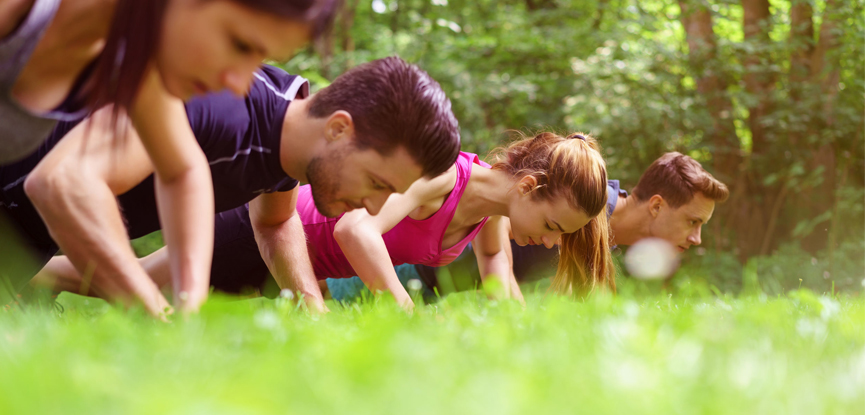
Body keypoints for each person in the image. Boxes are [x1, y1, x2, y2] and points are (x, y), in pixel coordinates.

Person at [16, 57, 461, 314]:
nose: (373, 204)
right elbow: (65, 183)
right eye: (377, 182)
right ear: (339, 129)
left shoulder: (290, 139)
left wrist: (313, 309)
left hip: (22, 247)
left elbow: (276, 223)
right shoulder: (223, 106)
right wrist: (156, 315)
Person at [0, 0, 339, 312]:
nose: (238, 84)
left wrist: (186, 314)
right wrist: (151, 310)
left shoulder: (139, 64)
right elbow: (60, 182)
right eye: (239, 44)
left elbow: (182, 170)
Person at [38, 131, 616, 308]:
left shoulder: (491, 212)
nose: (547, 240)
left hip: (299, 271)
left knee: (140, 285)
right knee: (133, 286)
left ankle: (40, 278)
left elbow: (495, 264)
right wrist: (401, 304)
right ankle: (36, 271)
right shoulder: (445, 178)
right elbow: (353, 228)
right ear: (531, 186)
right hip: (277, 232)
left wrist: (517, 328)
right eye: (554, 225)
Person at [370, 151, 729, 302]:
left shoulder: (606, 234)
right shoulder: (583, 203)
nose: (696, 238)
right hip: (391, 267)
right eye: (692, 221)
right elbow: (495, 219)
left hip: (428, 292)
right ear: (656, 206)